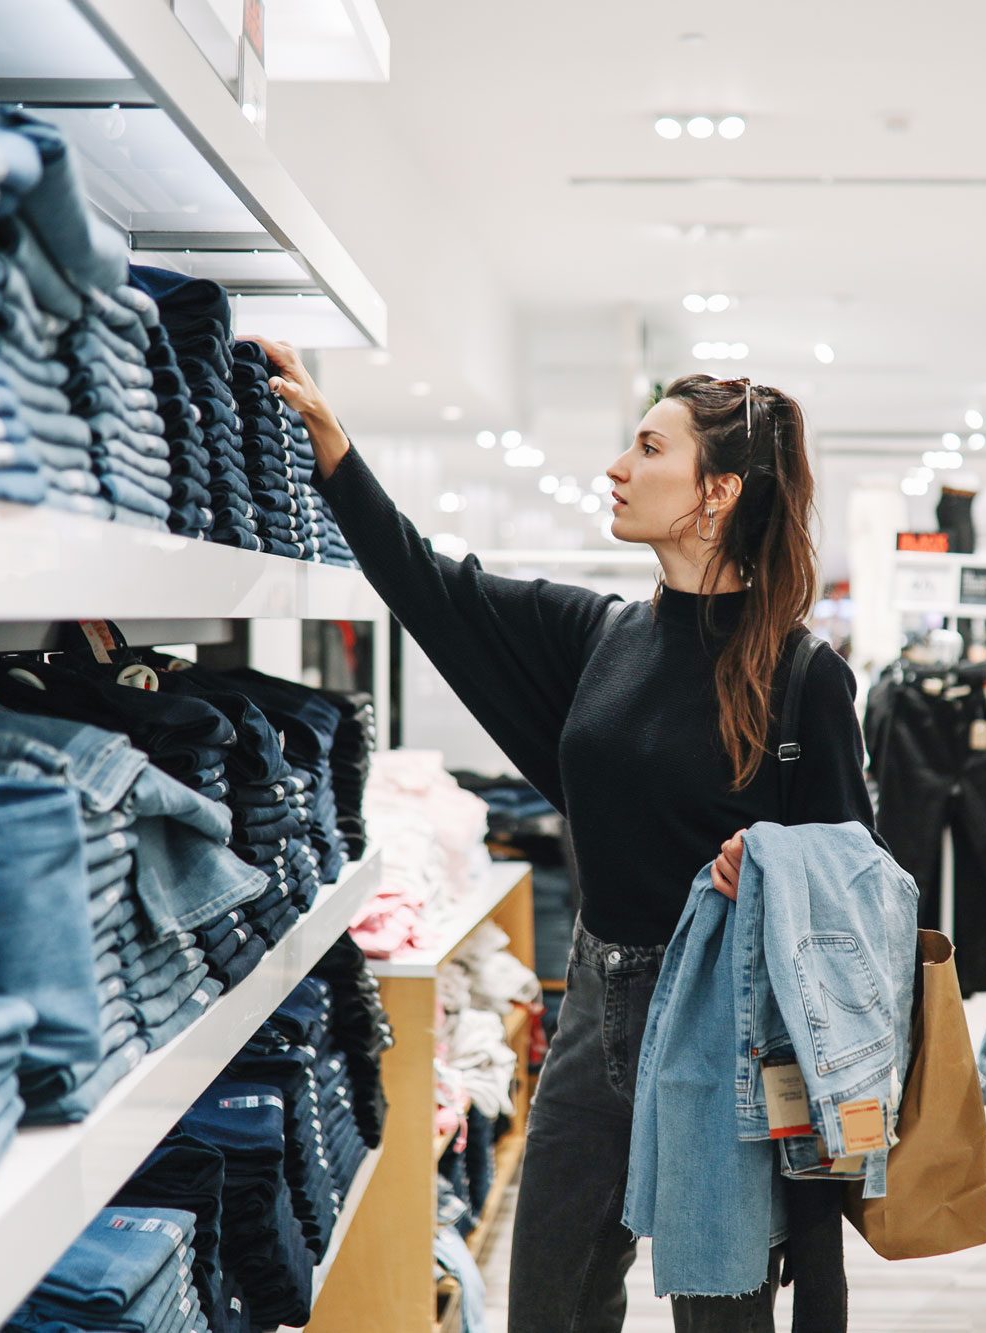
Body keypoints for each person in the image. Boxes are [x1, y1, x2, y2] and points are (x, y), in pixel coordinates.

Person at [251, 341, 876, 1331]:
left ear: (716, 492)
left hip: (723, 1022)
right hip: (594, 1003)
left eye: (646, 449)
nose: (614, 469)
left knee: (722, 1310)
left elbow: (857, 878)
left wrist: (772, 858)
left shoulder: (802, 676)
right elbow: (432, 589)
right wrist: (336, 457)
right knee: (549, 1300)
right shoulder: (602, 635)